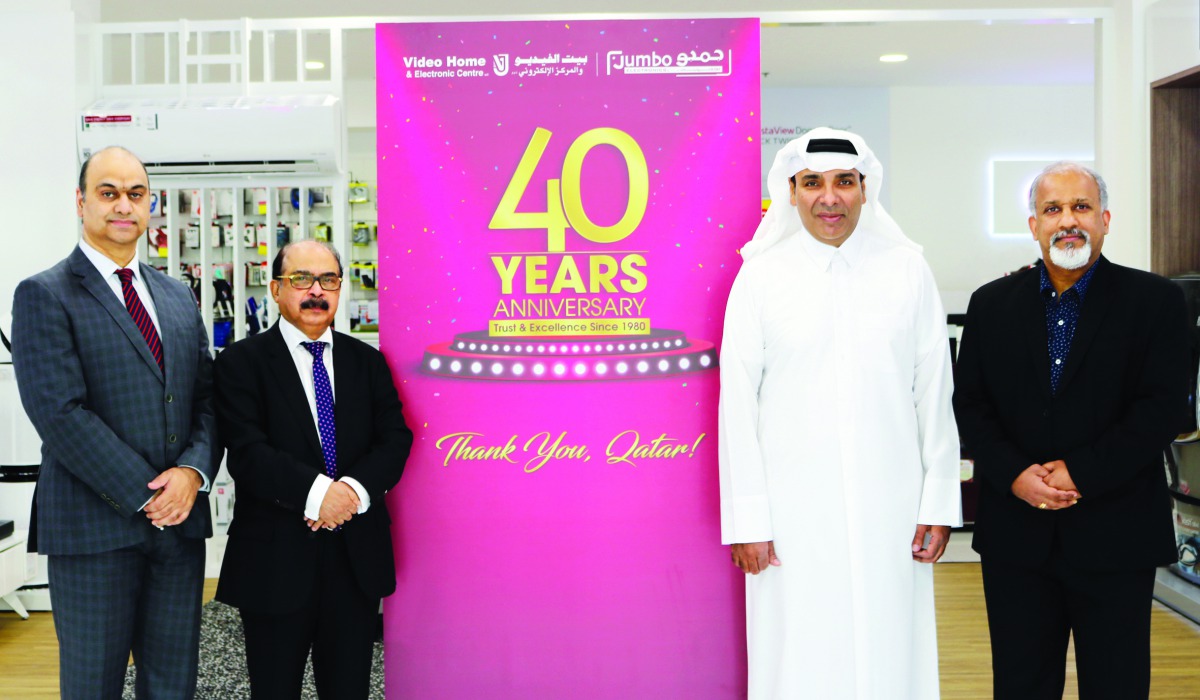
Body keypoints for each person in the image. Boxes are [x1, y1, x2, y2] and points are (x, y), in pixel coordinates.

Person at [718, 127, 962, 699]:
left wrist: (937, 503)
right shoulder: (759, 278)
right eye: (813, 184)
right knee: (797, 652)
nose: (830, 198)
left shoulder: (906, 270)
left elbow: (934, 394)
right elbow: (737, 406)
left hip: (892, 508)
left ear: (864, 189)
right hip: (790, 517)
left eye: (844, 183)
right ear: (792, 192)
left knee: (890, 645)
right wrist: (749, 519)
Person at [953, 162, 1190, 699]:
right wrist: (1015, 474)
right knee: (1020, 684)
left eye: (1080, 207)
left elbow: (1163, 408)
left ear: (1104, 220)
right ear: (1033, 224)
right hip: (1016, 535)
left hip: (1117, 534)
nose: (1068, 221)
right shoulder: (990, 305)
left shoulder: (1154, 302)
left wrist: (1080, 472)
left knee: (1117, 684)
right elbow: (970, 404)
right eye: (1053, 209)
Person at [11, 146, 216, 698]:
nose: (123, 205)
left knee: (173, 683)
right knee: (92, 684)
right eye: (108, 192)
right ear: (81, 202)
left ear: (150, 205)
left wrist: (192, 474)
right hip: (92, 527)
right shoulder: (44, 293)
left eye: (135, 193)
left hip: (178, 528)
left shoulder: (176, 295)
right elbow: (59, 412)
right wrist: (149, 493)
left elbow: (207, 398)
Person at [213, 239, 412, 699]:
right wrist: (321, 493)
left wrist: (353, 494)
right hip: (274, 562)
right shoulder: (241, 363)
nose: (316, 291)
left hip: (355, 558)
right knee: (274, 688)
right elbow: (246, 451)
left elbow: (395, 438)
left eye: (328, 280)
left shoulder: (368, 361)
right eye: (301, 279)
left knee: (348, 688)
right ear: (277, 288)